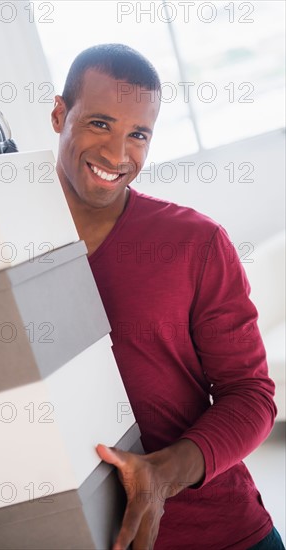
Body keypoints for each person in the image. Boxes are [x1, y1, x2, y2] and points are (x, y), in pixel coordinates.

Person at [51, 44, 284, 550]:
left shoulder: (196, 243)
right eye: (99, 124)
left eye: (138, 134)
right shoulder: (0, 242)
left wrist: (162, 473)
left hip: (221, 533)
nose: (118, 155)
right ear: (58, 115)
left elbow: (252, 396)